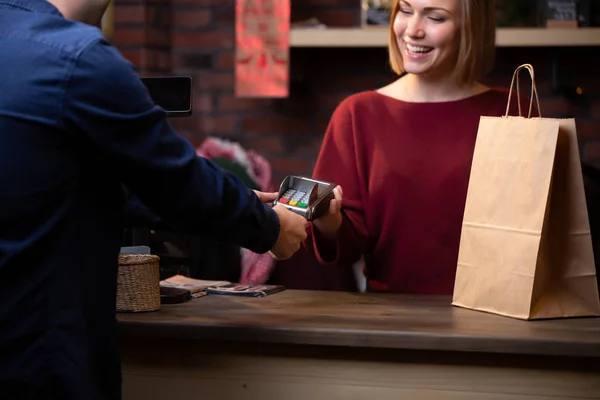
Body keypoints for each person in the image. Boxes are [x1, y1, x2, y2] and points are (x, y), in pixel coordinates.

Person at [0, 0, 309, 398]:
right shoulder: (78, 58)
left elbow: (94, 180)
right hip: (40, 360)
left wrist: (241, 200)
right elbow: (174, 177)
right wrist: (271, 228)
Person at [306, 0, 523, 294]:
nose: (412, 30)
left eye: (435, 17)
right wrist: (328, 222)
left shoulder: (513, 109)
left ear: (470, 28)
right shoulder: (357, 114)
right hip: (392, 318)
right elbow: (344, 249)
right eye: (405, 11)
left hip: (496, 311)